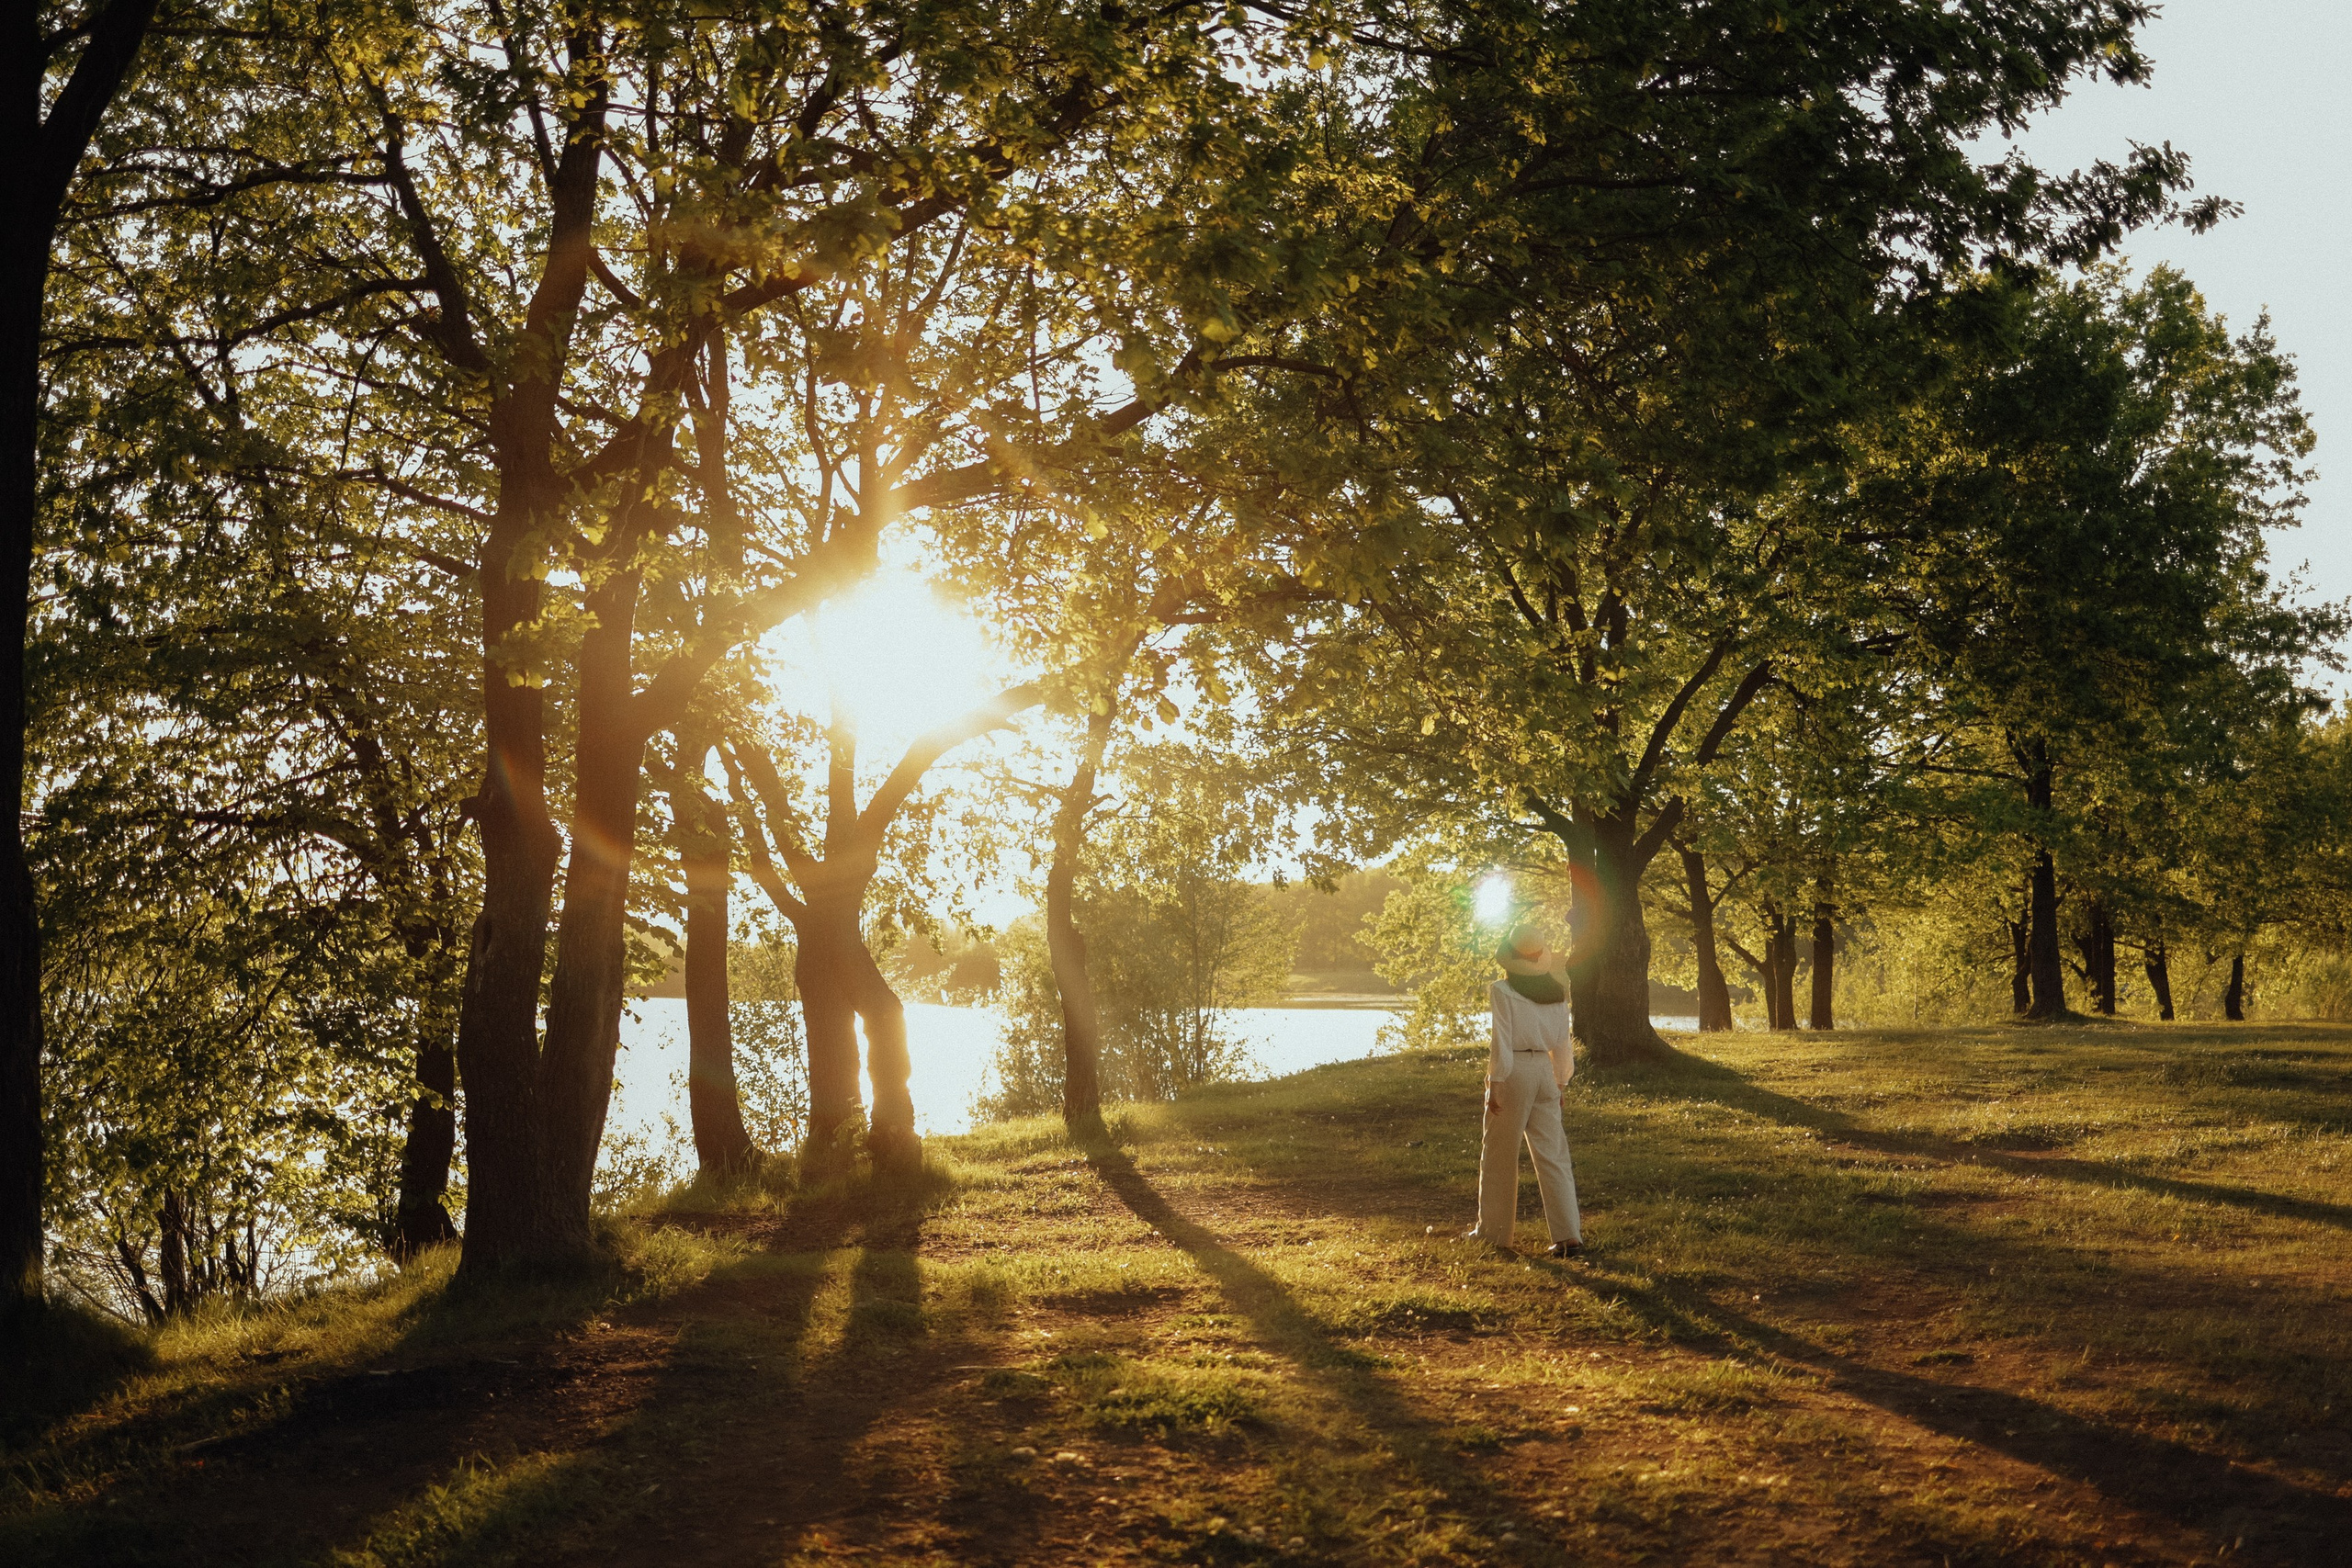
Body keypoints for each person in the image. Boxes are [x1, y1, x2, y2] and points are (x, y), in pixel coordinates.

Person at [1466, 925, 1583, 1258]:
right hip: (1545, 1072)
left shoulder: (1503, 990)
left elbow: (1501, 1041)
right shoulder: (1557, 991)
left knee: (1499, 1154)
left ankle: (1493, 1233)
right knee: (1554, 1155)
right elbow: (1562, 1043)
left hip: (1516, 1070)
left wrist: (1496, 1084)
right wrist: (1559, 1082)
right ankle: (1568, 1236)